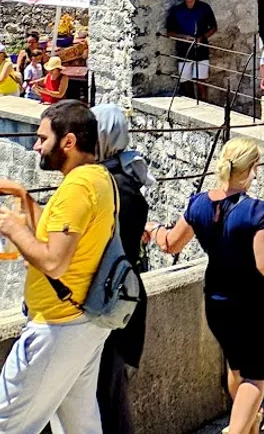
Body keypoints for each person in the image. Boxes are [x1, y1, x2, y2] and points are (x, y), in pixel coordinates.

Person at [145, 136, 264, 434]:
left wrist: (153, 228)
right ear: (252, 169)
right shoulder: (256, 211)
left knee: (235, 366)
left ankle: (249, 426)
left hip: (218, 300)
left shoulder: (198, 205)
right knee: (255, 377)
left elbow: (170, 243)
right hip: (257, 303)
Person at [0, 101, 116, 434]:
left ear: (68, 141)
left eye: (42, 137)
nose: (35, 145)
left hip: (57, 326)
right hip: (83, 320)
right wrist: (24, 197)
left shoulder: (77, 188)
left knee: (7, 423)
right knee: (79, 425)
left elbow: (53, 261)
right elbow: (58, 237)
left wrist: (14, 230)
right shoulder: (98, 179)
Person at [93, 104, 151, 434]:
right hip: (114, 302)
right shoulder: (123, 179)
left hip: (110, 304)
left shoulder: (117, 188)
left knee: (108, 397)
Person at [165, 0, 218, 102]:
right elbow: (169, 32)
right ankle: (191, 102)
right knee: (185, 80)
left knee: (201, 80)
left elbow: (214, 27)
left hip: (201, 49)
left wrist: (202, 37)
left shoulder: (204, 8)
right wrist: (184, 37)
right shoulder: (177, 11)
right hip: (184, 50)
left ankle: (204, 104)